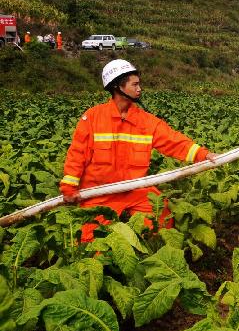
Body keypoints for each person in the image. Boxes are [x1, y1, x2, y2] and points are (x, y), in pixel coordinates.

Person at [60, 59, 218, 242]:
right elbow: (77, 154)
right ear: (118, 86)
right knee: (91, 240)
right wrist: (69, 187)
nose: (139, 89)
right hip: (99, 192)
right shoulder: (93, 118)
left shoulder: (146, 121)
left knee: (160, 212)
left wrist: (204, 155)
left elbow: (173, 141)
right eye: (134, 84)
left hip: (135, 189)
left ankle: (152, 255)